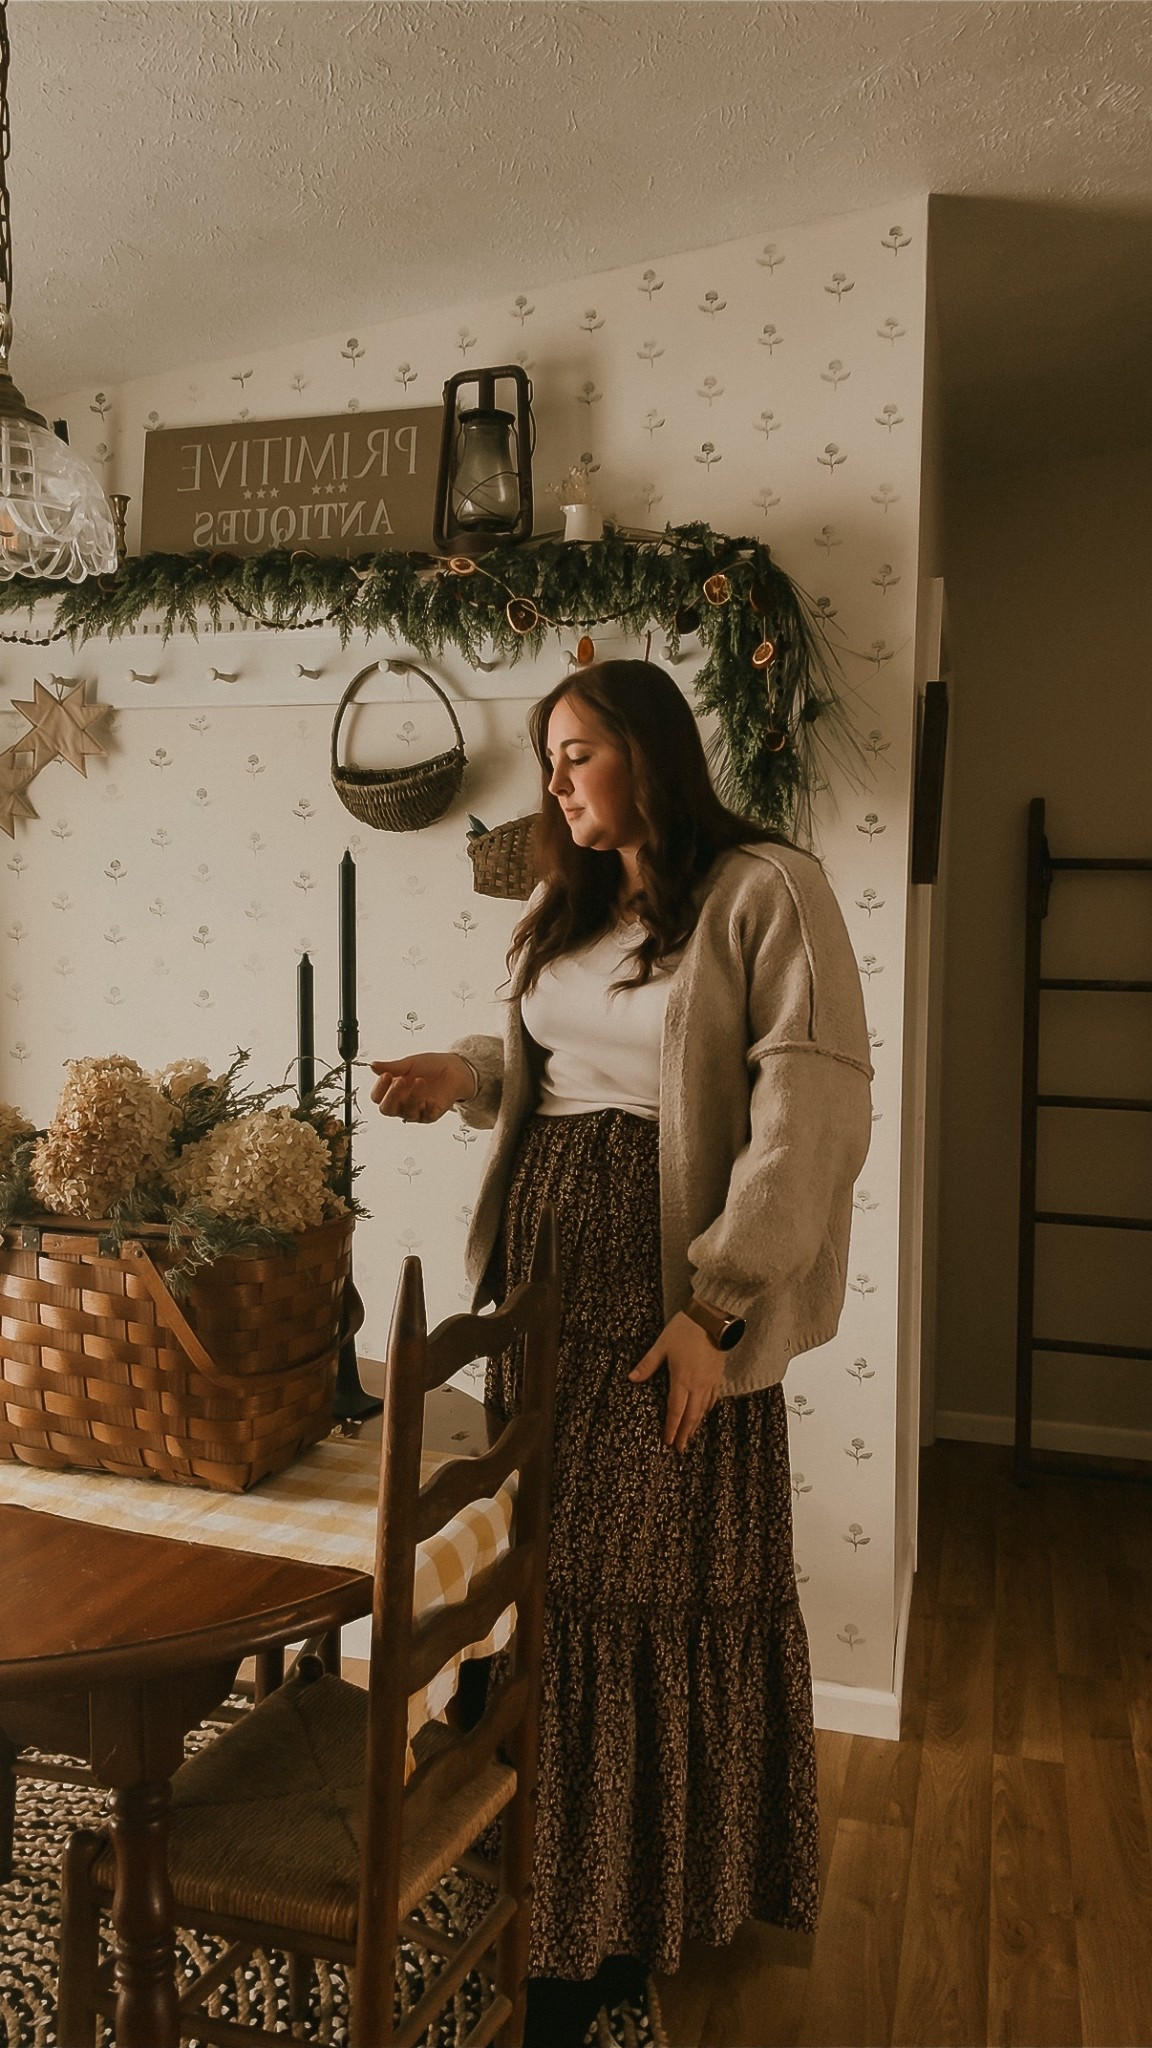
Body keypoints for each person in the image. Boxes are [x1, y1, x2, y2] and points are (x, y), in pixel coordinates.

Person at [370, 659, 873, 2045]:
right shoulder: (573, 901)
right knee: (550, 1586)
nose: (557, 782)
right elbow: (556, 1054)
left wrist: (715, 1312)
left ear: (650, 750)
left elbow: (808, 1117)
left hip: (668, 1308)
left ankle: (601, 1932)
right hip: (544, 1291)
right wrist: (463, 1076)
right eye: (548, 758)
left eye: (577, 752)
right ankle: (545, 1884)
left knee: (627, 1594)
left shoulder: (765, 888)